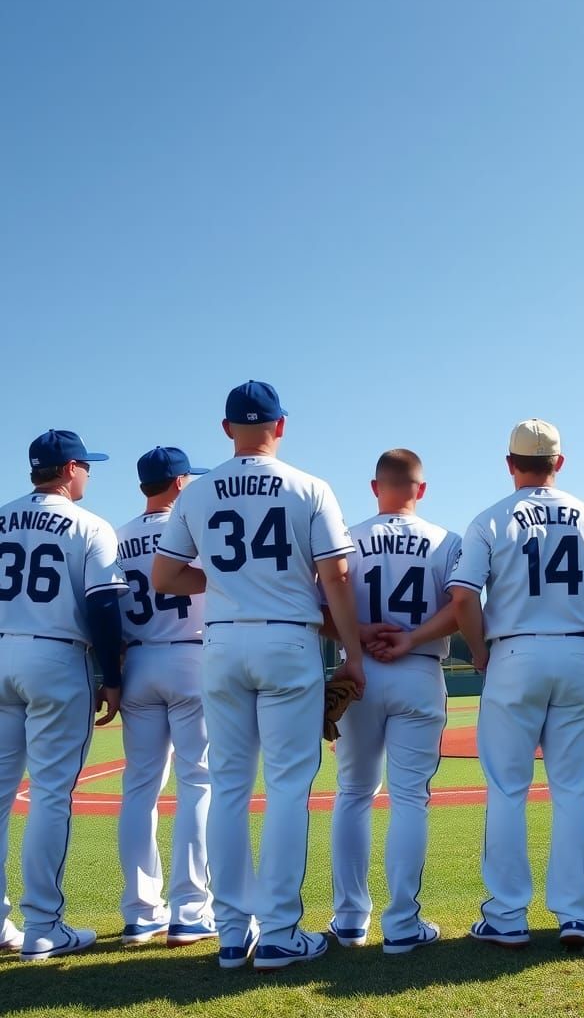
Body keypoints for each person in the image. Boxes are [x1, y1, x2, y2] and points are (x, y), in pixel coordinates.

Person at [152, 381, 365, 971]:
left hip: (221, 641)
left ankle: (228, 932)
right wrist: (352, 652)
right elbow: (338, 576)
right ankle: (277, 932)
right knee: (289, 788)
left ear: (226, 429)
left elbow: (164, 577)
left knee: (228, 787)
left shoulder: (196, 494)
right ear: (282, 425)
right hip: (287, 637)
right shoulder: (310, 485)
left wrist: (223, 583)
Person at [448, 419, 584, 950]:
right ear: (560, 463)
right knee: (572, 790)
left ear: (510, 464)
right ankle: (574, 914)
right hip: (575, 650)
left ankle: (507, 917)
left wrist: (480, 652)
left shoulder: (489, 519)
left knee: (507, 790)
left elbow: (462, 596)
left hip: (513, 653)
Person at [329, 449, 461, 954]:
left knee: (353, 794)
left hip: (358, 670)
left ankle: (348, 921)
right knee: (408, 798)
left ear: (374, 486)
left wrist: (358, 636)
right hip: (419, 669)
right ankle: (402, 925)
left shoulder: (348, 538)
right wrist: (411, 638)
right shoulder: (446, 539)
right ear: (420, 490)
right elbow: (462, 606)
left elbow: (323, 606)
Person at [0, 429, 125, 961]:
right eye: (87, 467)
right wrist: (112, 675)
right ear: (70, 468)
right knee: (51, 794)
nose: (89, 475)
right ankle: (43, 926)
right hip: (55, 654)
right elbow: (102, 607)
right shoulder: (90, 524)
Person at [116, 447, 216, 947]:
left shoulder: (118, 535)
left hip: (136, 661)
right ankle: (191, 910)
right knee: (197, 781)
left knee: (139, 789)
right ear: (179, 482)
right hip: (191, 657)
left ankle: (139, 911)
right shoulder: (194, 525)